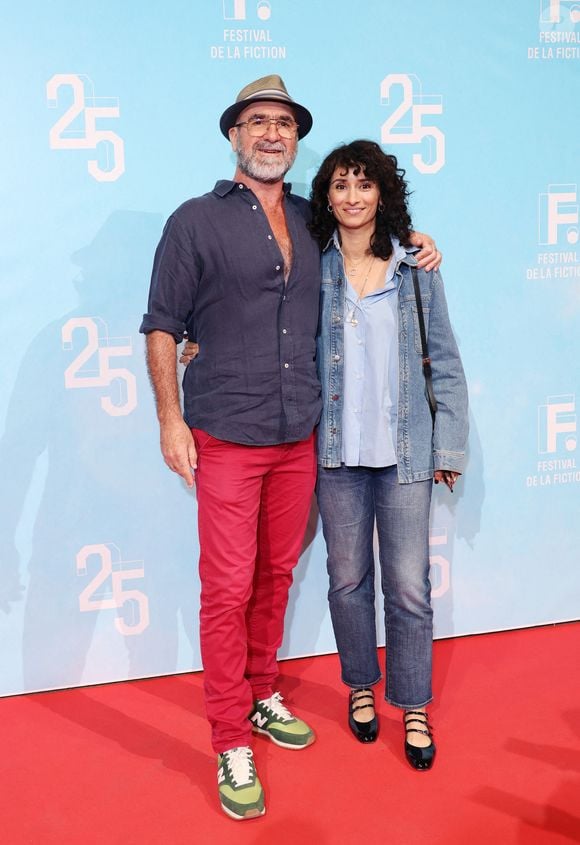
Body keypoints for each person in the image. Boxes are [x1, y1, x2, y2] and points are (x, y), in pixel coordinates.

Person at [141, 76, 441, 820]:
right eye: (257, 121)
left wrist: (418, 244)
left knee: (275, 574)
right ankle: (228, 736)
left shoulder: (313, 221)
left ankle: (261, 690)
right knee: (227, 588)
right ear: (234, 135)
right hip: (224, 434)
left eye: (283, 122)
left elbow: (372, 244)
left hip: (301, 435)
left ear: (297, 139)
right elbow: (162, 325)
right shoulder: (193, 221)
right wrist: (170, 419)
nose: (271, 133)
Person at [310, 140, 468, 770]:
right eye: (341, 185)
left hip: (405, 455)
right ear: (327, 197)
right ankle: (359, 686)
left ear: (382, 193)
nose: (353, 197)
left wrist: (448, 442)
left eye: (364, 184)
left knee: (408, 587)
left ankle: (414, 704)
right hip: (336, 455)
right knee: (347, 581)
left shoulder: (415, 265)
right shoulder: (311, 265)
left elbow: (444, 360)